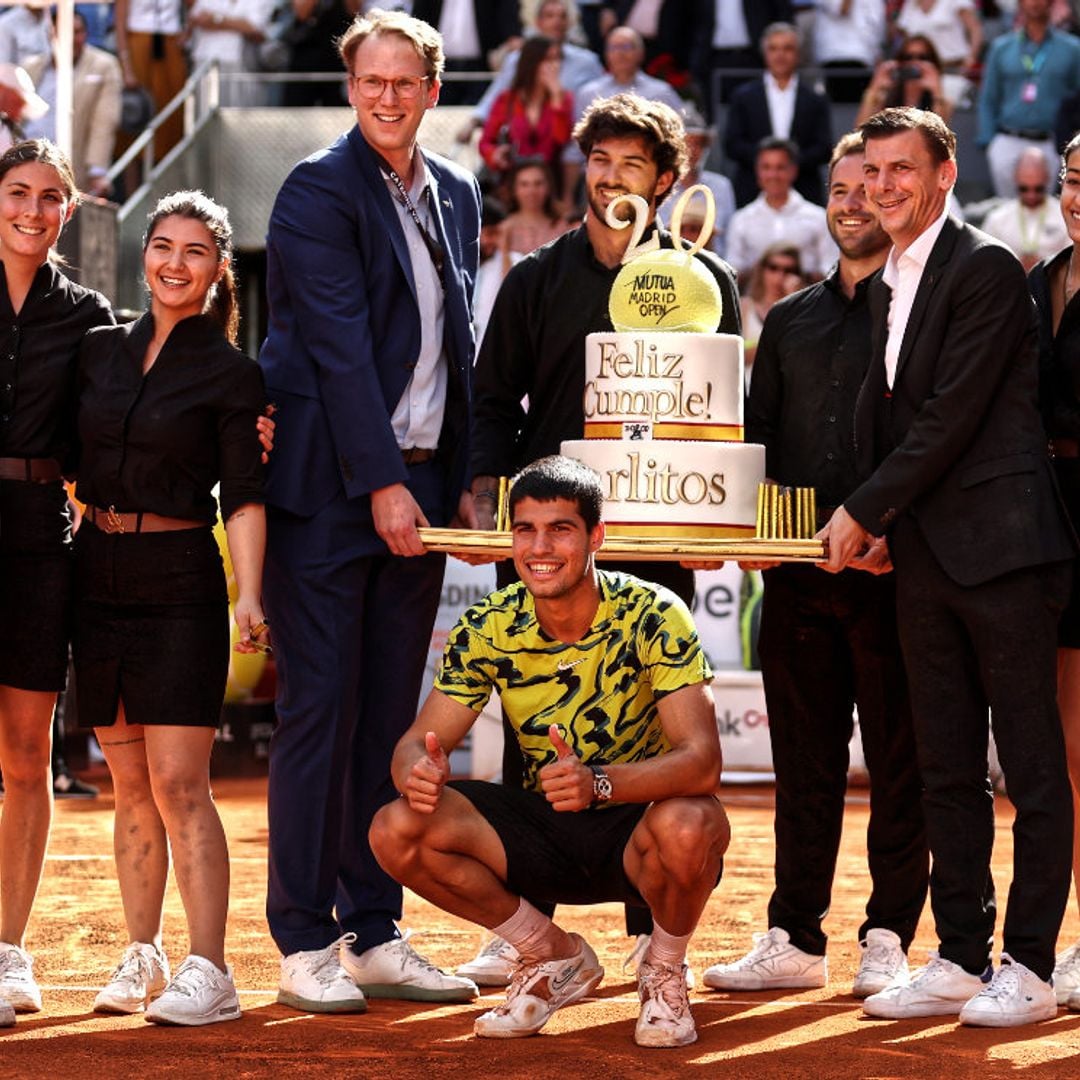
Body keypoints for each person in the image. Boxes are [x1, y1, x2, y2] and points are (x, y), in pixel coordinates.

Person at [455, 92, 740, 987]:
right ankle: (525, 927)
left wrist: (713, 521)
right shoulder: (538, 277)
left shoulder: (705, 282)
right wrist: (480, 492)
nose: (613, 177)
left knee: (658, 728)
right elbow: (494, 400)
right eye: (601, 161)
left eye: (633, 165)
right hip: (548, 539)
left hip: (659, 536)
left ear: (665, 181)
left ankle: (659, 941)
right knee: (523, 719)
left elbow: (722, 411)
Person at [820, 106, 1077, 1027]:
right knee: (947, 769)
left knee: (1033, 773)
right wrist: (886, 519)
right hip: (925, 554)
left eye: (902, 170)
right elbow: (892, 420)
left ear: (943, 173)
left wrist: (862, 509)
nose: (884, 187)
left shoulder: (984, 268)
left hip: (1006, 551)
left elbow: (951, 416)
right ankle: (963, 956)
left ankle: (1034, 966)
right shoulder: (891, 276)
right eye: (872, 172)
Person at [259, 8, 482, 1014]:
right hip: (332, 492)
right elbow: (341, 346)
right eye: (372, 82)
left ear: (433, 92)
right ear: (352, 89)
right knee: (318, 712)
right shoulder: (316, 189)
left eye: (408, 83)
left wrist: (459, 476)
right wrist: (383, 479)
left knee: (389, 722)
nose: (389, 97)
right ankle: (302, 937)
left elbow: (457, 349)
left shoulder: (461, 194)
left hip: (424, 492)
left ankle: (373, 928)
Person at [370, 454, 730, 1048]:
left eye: (560, 529)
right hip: (547, 828)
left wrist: (600, 783)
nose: (540, 547)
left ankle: (663, 971)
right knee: (396, 827)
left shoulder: (656, 613)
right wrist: (417, 771)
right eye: (525, 530)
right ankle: (551, 955)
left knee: (692, 822)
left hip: (637, 827)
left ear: (596, 537)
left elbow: (702, 761)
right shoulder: (489, 624)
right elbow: (415, 742)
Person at [703, 131, 928, 1000]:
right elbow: (757, 451)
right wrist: (751, 536)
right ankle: (794, 936)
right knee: (803, 764)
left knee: (901, 765)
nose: (852, 202)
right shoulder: (789, 322)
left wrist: (893, 533)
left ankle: (888, 936)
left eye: (869, 186)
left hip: (896, 577)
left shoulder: (923, 310)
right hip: (795, 584)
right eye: (838, 189)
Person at [72, 190, 266, 1027]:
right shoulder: (97, 352)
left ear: (218, 268)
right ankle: (142, 950)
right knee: (127, 786)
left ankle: (210, 969)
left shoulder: (231, 371)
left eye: (193, 251)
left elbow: (246, 497)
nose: (174, 264)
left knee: (182, 782)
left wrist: (251, 594)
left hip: (182, 576)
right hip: (96, 571)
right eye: (161, 246)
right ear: (142, 254)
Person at [0, 139, 114, 1024]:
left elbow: (117, 427)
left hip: (41, 535)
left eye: (48, 198)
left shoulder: (88, 316)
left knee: (26, 754)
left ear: (67, 212)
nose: (32, 211)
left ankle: (8, 954)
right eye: (15, 193)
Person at [1028, 131, 1080, 1014]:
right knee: (1071, 752)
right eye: (1076, 182)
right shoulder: (1038, 281)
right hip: (1051, 526)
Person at [459, 1, 603, 147]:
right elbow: (496, 95)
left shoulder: (588, 61)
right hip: (524, 142)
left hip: (575, 141)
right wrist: (474, 122)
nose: (556, 21)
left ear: (569, 23)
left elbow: (600, 99)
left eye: (562, 16)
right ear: (538, 22)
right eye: (550, 16)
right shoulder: (517, 59)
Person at [977, 0, 1080, 198]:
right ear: (1019, 4)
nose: (1034, 2)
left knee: (1050, 208)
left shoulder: (1072, 49)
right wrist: (989, 142)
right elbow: (989, 98)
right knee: (1007, 210)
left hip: (1053, 142)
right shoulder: (1001, 47)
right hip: (1008, 138)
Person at [722, 22, 832, 208]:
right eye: (773, 48)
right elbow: (732, 144)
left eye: (787, 48)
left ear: (798, 53)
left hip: (804, 192)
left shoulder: (815, 99)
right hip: (751, 192)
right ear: (765, 53)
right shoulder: (743, 96)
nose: (780, 55)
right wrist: (767, 165)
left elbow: (823, 147)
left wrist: (790, 165)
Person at [23, 11, 122, 199]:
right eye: (66, 32)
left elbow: (104, 120)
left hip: (68, 167)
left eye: (78, 32)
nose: (72, 39)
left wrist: (97, 171)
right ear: (51, 34)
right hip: (24, 162)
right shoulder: (31, 66)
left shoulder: (104, 65)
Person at [725, 137, 837, 281]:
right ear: (757, 171)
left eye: (780, 167)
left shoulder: (819, 217)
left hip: (808, 299)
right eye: (766, 167)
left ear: (793, 171)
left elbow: (831, 270)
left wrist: (801, 277)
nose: (773, 175)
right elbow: (731, 273)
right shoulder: (740, 220)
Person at [478, 34, 573, 203]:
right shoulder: (506, 100)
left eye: (558, 59)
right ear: (532, 62)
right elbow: (485, 142)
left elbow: (562, 140)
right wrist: (496, 154)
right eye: (548, 59)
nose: (555, 66)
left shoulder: (563, 99)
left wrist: (557, 99)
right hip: (511, 186)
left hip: (549, 186)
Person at [656, 107, 736, 258]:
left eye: (698, 144)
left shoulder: (721, 186)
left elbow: (729, 238)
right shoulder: (659, 184)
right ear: (675, 147)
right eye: (686, 143)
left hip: (714, 264)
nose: (692, 150)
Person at [980, 147, 1069, 270]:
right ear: (1015, 179)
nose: (1031, 195)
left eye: (1038, 189)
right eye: (1023, 189)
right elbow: (984, 263)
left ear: (1048, 179)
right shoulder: (997, 219)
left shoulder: (1065, 216)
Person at [187, 0, 276, 107]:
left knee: (241, 114)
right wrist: (235, 23)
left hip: (245, 66)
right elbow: (197, 19)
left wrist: (217, 19)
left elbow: (255, 27)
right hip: (207, 62)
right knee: (205, 114)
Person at [737, 241, 804, 380]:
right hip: (749, 390)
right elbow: (736, 356)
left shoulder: (802, 310)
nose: (780, 276)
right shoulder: (745, 307)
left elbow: (801, 350)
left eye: (788, 270)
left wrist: (794, 300)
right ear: (762, 270)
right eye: (773, 267)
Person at [895, 0, 983, 105]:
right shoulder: (911, 4)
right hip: (919, 75)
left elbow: (975, 29)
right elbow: (906, 37)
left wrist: (971, 58)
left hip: (951, 69)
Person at [855, 34, 954, 127]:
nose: (915, 63)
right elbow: (859, 133)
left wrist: (936, 92)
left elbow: (940, 137)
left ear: (933, 62)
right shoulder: (884, 97)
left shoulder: (943, 101)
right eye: (908, 57)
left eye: (923, 57)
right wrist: (875, 88)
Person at [812, 0, 885, 104]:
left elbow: (875, 23)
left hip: (867, 59)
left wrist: (877, 52)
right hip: (838, 58)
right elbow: (842, 9)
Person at [500, 158, 568, 260]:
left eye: (538, 183)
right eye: (524, 184)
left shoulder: (564, 226)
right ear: (514, 189)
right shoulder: (505, 228)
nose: (532, 191)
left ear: (548, 187)